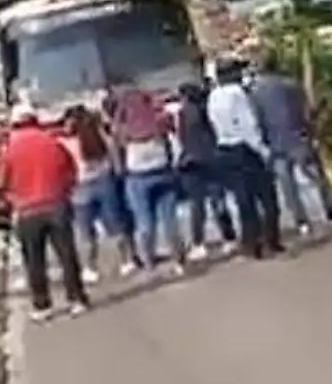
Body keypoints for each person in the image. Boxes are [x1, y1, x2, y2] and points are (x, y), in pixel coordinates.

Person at [0, 103, 89, 320]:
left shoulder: (10, 150)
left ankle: (42, 305)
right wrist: (65, 192)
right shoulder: (51, 142)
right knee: (67, 255)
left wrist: (13, 200)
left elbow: (2, 183)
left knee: (34, 261)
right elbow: (70, 170)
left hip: (27, 211)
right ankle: (76, 299)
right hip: (56, 205)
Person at [248, 52, 332, 235]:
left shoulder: (256, 92)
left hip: (276, 143)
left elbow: (257, 119)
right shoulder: (292, 84)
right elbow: (306, 111)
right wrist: (310, 131)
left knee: (288, 186)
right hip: (299, 136)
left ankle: (302, 221)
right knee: (318, 177)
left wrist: (263, 143)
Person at [208, 59, 285, 259]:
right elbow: (248, 124)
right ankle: (271, 241)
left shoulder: (213, 96)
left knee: (244, 201)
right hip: (246, 150)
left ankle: (251, 243)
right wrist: (262, 150)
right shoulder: (237, 93)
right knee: (268, 198)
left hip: (225, 149)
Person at [113, 87, 188, 272]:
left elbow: (118, 154)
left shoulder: (122, 128)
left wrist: (122, 174)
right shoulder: (158, 121)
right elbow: (171, 141)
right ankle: (179, 258)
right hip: (163, 172)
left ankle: (148, 260)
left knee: (144, 221)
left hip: (137, 177)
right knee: (170, 219)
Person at [62, 105, 136, 283]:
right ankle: (127, 260)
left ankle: (90, 268)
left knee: (86, 232)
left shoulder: (68, 144)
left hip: (80, 189)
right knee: (115, 226)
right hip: (105, 183)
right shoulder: (101, 137)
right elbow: (115, 158)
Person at [172, 81, 237, 258]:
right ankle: (229, 237)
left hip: (193, 163)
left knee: (197, 204)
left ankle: (199, 243)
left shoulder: (184, 113)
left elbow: (182, 138)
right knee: (218, 200)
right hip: (212, 158)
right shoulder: (205, 108)